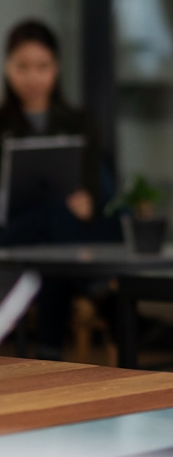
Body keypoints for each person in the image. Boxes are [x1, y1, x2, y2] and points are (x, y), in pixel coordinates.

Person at [0, 19, 104, 357]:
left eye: (42, 67)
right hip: (10, 234)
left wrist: (86, 201)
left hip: (60, 232)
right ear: (7, 68)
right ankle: (94, 288)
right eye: (22, 67)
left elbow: (94, 190)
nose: (32, 77)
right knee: (51, 218)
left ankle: (49, 351)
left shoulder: (79, 122)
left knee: (52, 230)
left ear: (56, 68)